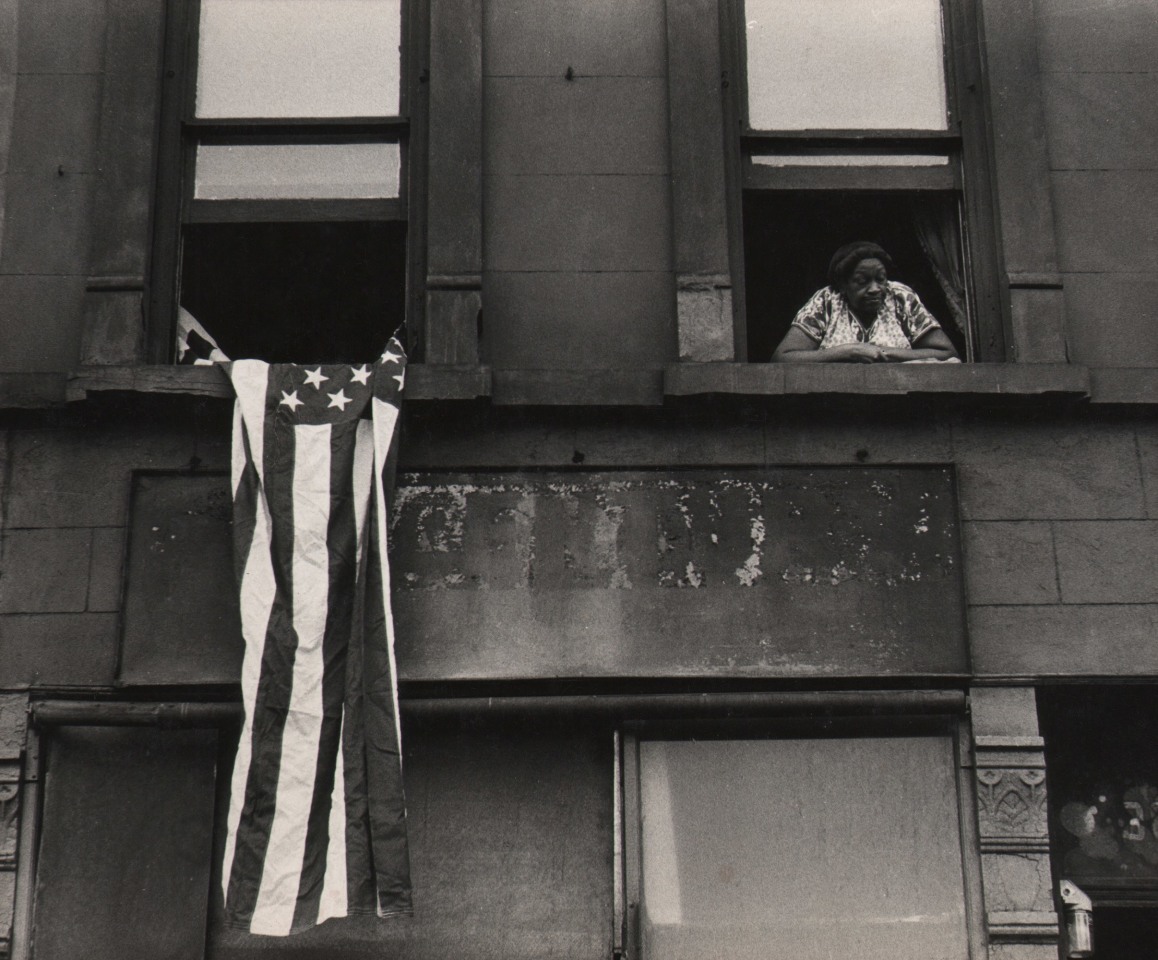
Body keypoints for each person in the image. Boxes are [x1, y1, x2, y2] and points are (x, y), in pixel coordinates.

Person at [771, 241, 959, 363]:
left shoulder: (900, 297)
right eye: (862, 281)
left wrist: (883, 353)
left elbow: (947, 353)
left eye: (881, 279)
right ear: (842, 285)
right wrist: (847, 352)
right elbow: (782, 358)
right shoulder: (826, 301)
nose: (875, 289)